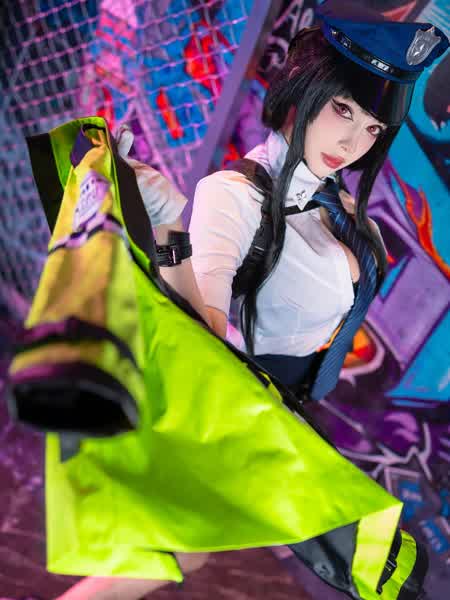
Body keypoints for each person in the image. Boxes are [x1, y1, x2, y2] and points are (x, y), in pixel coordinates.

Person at [51, 2, 448, 599]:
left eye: (371, 128)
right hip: (238, 417)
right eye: (343, 109)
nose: (352, 141)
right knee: (187, 554)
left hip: (282, 413)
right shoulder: (234, 195)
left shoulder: (342, 211)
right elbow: (206, 329)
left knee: (180, 554)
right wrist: (170, 230)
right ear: (305, 90)